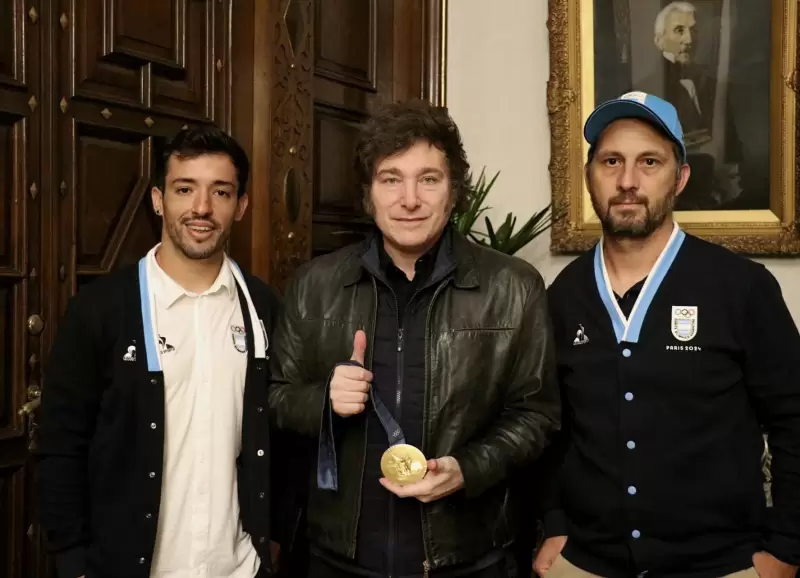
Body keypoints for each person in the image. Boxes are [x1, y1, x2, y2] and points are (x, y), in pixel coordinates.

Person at [268, 100, 561, 578]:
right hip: (340, 561)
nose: (410, 199)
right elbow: (275, 399)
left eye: (428, 179)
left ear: (454, 192)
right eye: (390, 179)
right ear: (369, 194)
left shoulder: (513, 286)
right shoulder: (314, 285)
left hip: (469, 559)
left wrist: (468, 468)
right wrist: (323, 400)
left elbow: (537, 414)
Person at [534, 92, 800, 578]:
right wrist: (553, 524)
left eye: (649, 162)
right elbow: (551, 425)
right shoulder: (563, 295)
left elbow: (794, 419)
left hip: (722, 564)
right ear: (590, 175)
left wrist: (787, 549)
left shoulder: (741, 287)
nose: (628, 181)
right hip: (587, 562)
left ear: (680, 177)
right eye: (611, 161)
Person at [36, 126, 289, 578]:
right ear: (158, 199)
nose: (202, 208)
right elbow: (61, 443)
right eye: (184, 188)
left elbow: (281, 435)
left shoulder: (262, 307)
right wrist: (72, 560)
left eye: (221, 192)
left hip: (239, 568)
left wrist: (274, 539)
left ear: (241, 206)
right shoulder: (101, 309)